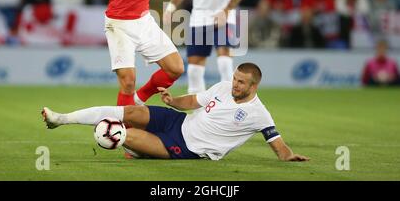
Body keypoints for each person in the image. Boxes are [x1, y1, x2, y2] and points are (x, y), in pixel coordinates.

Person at [42, 63, 310, 161]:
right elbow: (193, 100)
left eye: (241, 82)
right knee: (130, 112)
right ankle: (61, 119)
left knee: (126, 135)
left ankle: (137, 148)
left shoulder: (259, 113)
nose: (235, 84)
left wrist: (289, 156)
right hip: (179, 121)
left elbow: (277, 144)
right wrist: (172, 101)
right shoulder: (223, 86)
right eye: (235, 79)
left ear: (254, 85)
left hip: (187, 147)